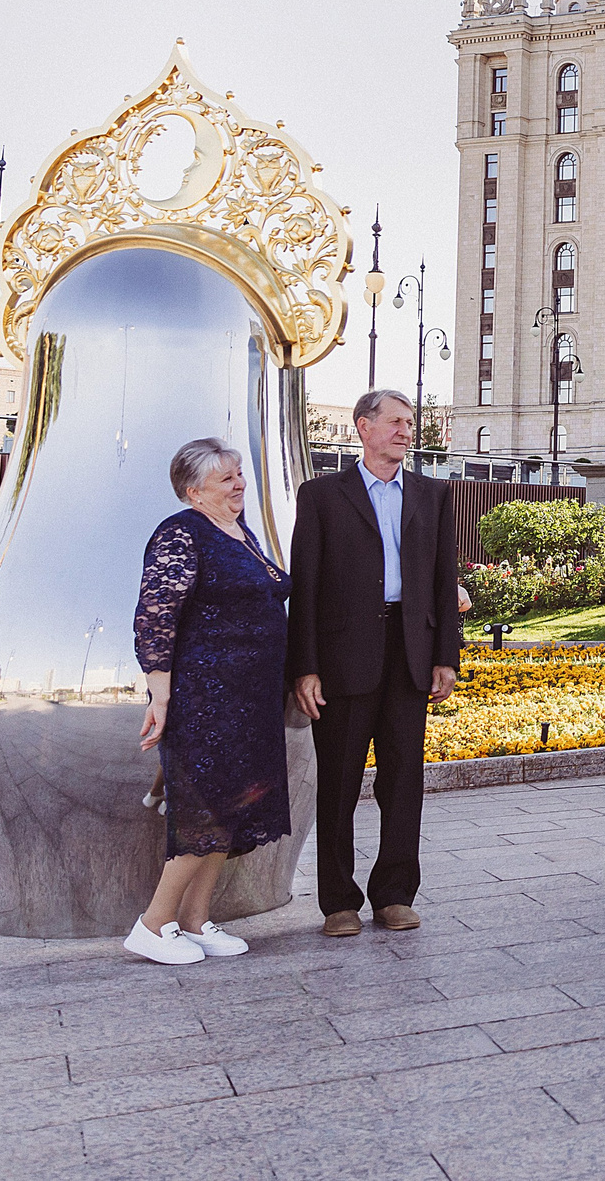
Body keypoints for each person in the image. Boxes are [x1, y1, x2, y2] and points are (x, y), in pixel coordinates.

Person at [288, 390, 460, 938]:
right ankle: (338, 902)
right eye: (395, 422)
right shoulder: (321, 496)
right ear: (363, 427)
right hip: (342, 659)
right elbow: (306, 587)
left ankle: (394, 895)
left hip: (410, 655)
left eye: (410, 422)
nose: (406, 430)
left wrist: (445, 657)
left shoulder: (433, 495)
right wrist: (305, 667)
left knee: (404, 779)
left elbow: (441, 581)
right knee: (338, 781)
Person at [124, 438, 292, 964]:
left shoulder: (239, 532)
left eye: (240, 473)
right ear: (194, 491)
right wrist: (161, 694)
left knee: (236, 806)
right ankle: (153, 925)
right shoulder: (181, 532)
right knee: (206, 810)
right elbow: (155, 616)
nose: (240, 483)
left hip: (252, 696)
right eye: (227, 478)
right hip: (208, 696)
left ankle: (194, 921)